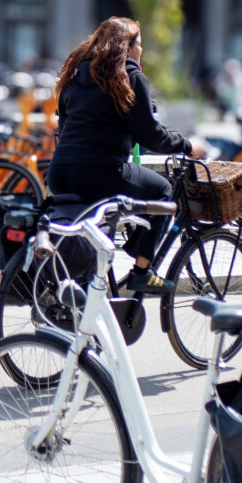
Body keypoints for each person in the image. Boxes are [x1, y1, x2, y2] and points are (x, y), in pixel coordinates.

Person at [45, 17, 199, 293]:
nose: (142, 51)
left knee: (93, 232)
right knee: (163, 191)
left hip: (60, 172)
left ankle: (81, 293)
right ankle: (142, 270)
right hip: (101, 171)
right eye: (139, 45)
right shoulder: (129, 76)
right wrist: (185, 145)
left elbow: (64, 127)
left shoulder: (74, 76)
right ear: (127, 47)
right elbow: (150, 136)